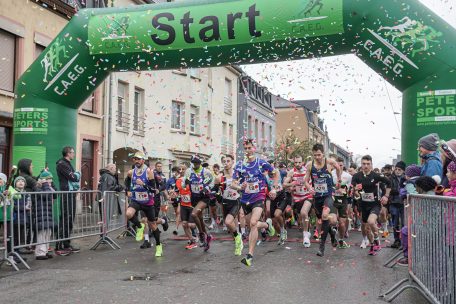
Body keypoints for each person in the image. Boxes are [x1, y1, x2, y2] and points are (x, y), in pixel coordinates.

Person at [232, 139, 277, 267]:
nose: (248, 150)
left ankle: (249, 256)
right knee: (250, 224)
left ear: (254, 149)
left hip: (259, 196)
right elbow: (233, 183)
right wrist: (240, 186)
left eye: (250, 148)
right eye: (245, 148)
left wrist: (273, 187)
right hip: (245, 199)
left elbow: (275, 173)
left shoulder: (261, 163)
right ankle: (267, 226)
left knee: (252, 223)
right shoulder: (240, 165)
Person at [304, 144, 342, 257]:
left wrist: (338, 179)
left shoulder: (329, 162)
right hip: (317, 197)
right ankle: (332, 234)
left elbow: (339, 168)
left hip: (328, 195)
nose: (317, 157)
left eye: (319, 155)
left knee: (325, 215)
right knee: (323, 219)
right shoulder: (310, 165)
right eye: (315, 155)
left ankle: (322, 246)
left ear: (323, 154)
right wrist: (309, 187)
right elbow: (305, 181)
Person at [351, 155, 391, 256]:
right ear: (361, 165)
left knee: (371, 221)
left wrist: (386, 196)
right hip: (363, 205)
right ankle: (373, 244)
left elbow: (389, 183)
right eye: (364, 164)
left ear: (371, 165)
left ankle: (377, 240)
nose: (366, 166)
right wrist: (355, 191)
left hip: (375, 204)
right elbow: (352, 190)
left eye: (368, 164)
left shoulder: (376, 176)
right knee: (366, 229)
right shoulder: (356, 176)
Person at [125, 151, 163, 257]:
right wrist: (127, 190)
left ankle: (159, 246)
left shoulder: (149, 172)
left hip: (148, 202)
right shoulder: (131, 172)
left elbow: (153, 190)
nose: (136, 161)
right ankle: (139, 226)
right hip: (136, 200)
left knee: (153, 225)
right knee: (128, 214)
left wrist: (143, 185)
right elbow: (127, 181)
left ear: (143, 160)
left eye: (138, 159)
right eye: (135, 159)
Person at [397, 176, 437, 266]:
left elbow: (412, 192)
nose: (416, 188)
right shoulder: (431, 194)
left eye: (417, 186)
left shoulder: (428, 196)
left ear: (421, 187)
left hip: (429, 227)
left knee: (405, 231)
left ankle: (408, 257)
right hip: (428, 226)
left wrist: (408, 184)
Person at [184, 155, 214, 251]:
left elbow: (212, 182)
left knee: (194, 214)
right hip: (194, 198)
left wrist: (207, 188)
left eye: (197, 163)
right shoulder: (189, 171)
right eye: (193, 162)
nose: (195, 164)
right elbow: (183, 184)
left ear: (200, 163)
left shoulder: (206, 172)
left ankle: (201, 235)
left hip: (204, 198)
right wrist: (186, 182)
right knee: (200, 219)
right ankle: (207, 237)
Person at [55, 146, 81, 256]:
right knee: (66, 218)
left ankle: (67, 244)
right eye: (72, 152)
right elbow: (74, 177)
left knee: (70, 218)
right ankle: (60, 245)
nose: (74, 154)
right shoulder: (62, 164)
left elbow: (74, 176)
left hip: (71, 194)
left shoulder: (67, 163)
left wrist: (76, 175)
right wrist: (78, 174)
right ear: (68, 153)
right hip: (66, 194)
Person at [283, 155, 313, 247]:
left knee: (304, 213)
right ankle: (307, 231)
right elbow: (284, 184)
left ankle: (305, 237)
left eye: (299, 162)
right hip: (297, 198)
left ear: (302, 162)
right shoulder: (291, 172)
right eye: (296, 162)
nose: (298, 164)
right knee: (302, 216)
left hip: (308, 195)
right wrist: (291, 184)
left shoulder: (307, 170)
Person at [218, 154, 243, 255]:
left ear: (233, 162)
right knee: (231, 227)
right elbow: (214, 191)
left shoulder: (238, 174)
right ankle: (238, 243)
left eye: (228, 161)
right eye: (224, 161)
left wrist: (240, 187)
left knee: (228, 222)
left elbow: (244, 185)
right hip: (225, 203)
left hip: (235, 201)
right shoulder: (219, 177)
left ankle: (239, 237)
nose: (226, 163)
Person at [34, 171, 56, 260]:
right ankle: (40, 253)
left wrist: (49, 186)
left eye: (50, 180)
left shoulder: (48, 188)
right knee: (42, 234)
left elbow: (54, 194)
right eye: (48, 180)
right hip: (41, 215)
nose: (50, 182)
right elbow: (46, 195)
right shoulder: (38, 188)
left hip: (48, 214)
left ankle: (45, 251)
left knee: (48, 233)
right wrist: (45, 185)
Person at [332, 157, 352, 249]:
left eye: (341, 165)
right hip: (333, 199)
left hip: (343, 200)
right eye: (337, 165)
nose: (339, 167)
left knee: (342, 223)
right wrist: (335, 188)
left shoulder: (348, 176)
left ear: (343, 165)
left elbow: (349, 190)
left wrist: (345, 190)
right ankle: (333, 233)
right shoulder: (331, 174)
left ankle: (341, 239)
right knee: (333, 220)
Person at [389, 161, 406, 248]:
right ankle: (396, 240)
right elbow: (389, 189)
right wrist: (398, 191)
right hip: (394, 202)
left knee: (404, 223)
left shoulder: (406, 178)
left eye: (399, 169)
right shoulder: (391, 178)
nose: (397, 171)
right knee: (395, 223)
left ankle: (404, 241)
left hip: (403, 203)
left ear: (403, 170)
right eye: (396, 169)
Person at [165, 166, 181, 235]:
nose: (175, 173)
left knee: (178, 212)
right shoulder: (170, 180)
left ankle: (176, 228)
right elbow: (166, 189)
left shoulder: (181, 179)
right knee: (177, 213)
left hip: (181, 198)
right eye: (174, 172)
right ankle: (178, 225)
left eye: (176, 172)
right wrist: (168, 195)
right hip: (174, 198)